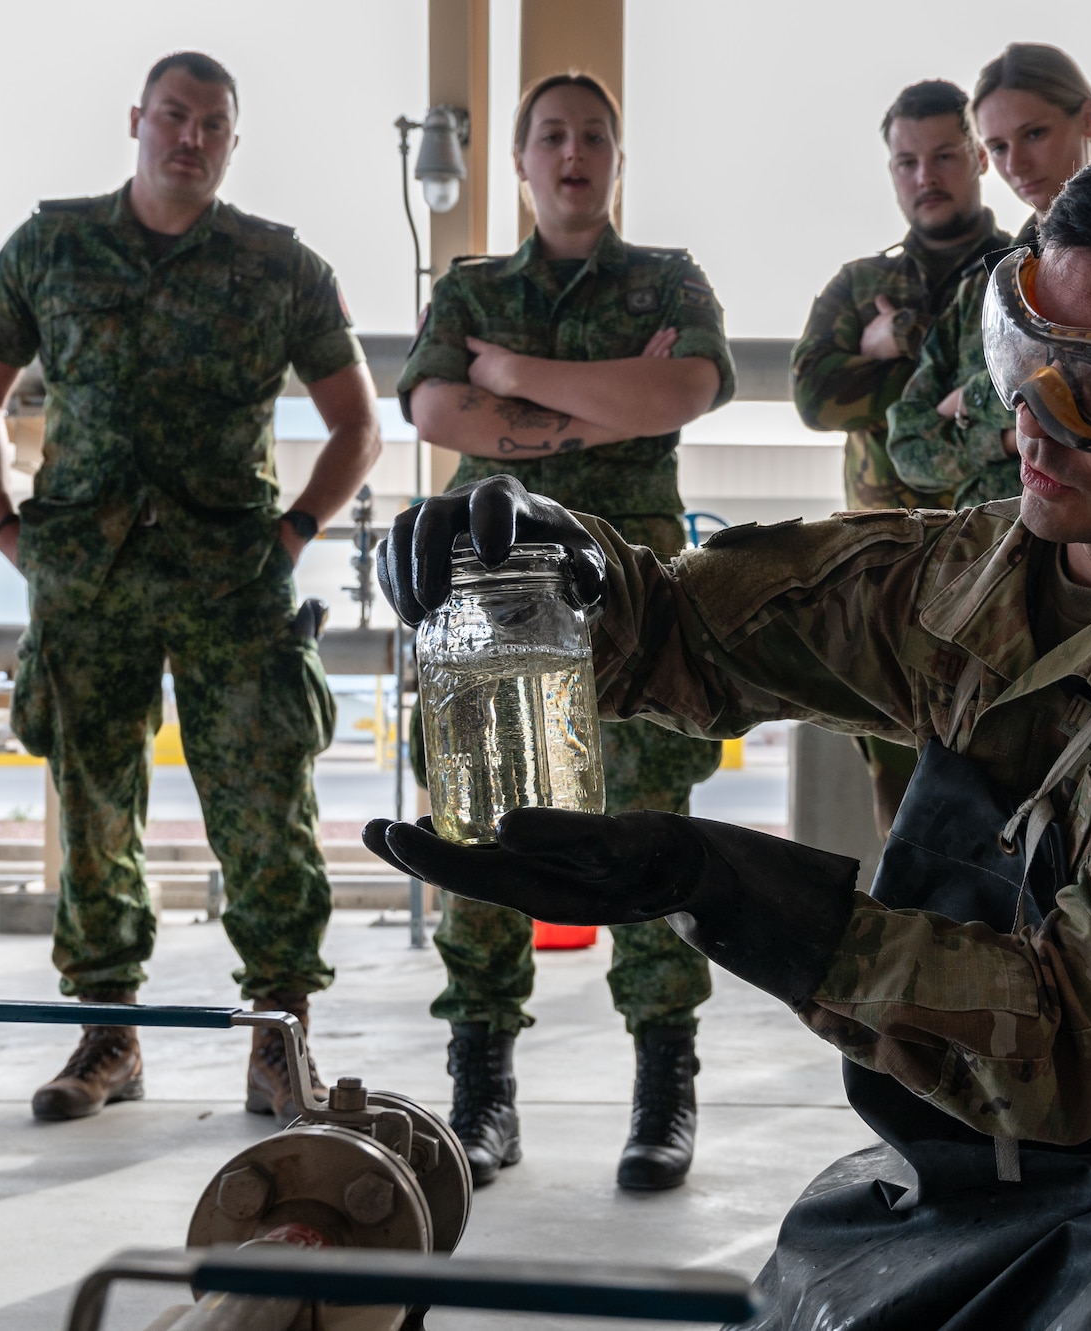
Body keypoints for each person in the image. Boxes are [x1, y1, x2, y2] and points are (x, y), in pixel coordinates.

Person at [371, 112, 1091, 1330]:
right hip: (983, 1177)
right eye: (1027, 348)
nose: (1039, 417)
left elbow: (1070, 1042)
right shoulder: (972, 578)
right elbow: (687, 632)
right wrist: (558, 556)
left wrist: (719, 881)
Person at [0, 52, 381, 1124]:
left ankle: (279, 1039)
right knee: (94, 811)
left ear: (232, 142)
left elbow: (357, 423)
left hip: (232, 580)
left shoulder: (279, 267)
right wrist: (7, 529)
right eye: (173, 117)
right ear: (136, 120)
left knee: (267, 807)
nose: (189, 137)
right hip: (86, 582)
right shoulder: (48, 249)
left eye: (213, 124)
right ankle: (107, 1035)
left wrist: (291, 535)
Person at [394, 71, 736, 1193]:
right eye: (551, 135)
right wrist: (599, 398)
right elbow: (438, 412)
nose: (573, 151)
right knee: (487, 839)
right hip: (492, 587)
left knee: (648, 832)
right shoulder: (470, 284)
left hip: (631, 590)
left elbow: (677, 392)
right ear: (520, 160)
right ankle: (480, 1087)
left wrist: (511, 379)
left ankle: (661, 1087)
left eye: (594, 135)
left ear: (616, 158)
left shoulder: (668, 279)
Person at [791, 78, 1015, 835]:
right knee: (904, 792)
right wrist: (933, 381)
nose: (927, 176)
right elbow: (816, 399)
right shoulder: (862, 284)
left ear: (979, 157)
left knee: (1013, 777)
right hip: (888, 567)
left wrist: (894, 348)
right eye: (907, 162)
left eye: (945, 154)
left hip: (1003, 555)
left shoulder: (1023, 269)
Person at [889, 43, 1091, 510]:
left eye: (1035, 134)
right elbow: (907, 442)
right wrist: (1005, 437)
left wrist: (971, 401)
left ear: (1087, 119)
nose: (1015, 165)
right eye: (998, 147)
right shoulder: (988, 285)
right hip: (990, 551)